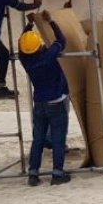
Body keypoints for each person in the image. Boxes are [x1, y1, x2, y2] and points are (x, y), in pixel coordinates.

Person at [18, 11, 71, 187]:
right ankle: (57, 174)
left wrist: (29, 25)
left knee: (38, 139)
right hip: (56, 101)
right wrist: (51, 21)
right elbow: (61, 40)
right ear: (39, 45)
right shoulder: (48, 55)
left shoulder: (25, 60)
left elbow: (22, 45)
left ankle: (33, 174)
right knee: (58, 139)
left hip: (39, 103)